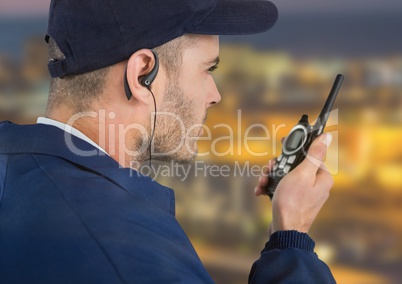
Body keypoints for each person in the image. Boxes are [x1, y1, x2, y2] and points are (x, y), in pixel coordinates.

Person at [0, 0, 336, 283]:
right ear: (143, 73)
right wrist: (291, 237)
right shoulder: (138, 256)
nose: (214, 95)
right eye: (208, 69)